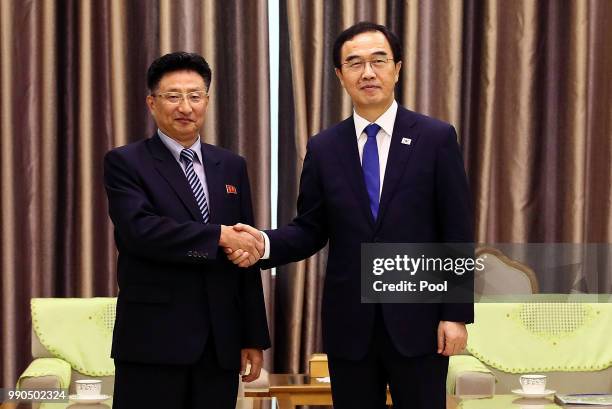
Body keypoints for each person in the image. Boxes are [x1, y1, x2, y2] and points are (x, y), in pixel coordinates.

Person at [227, 22, 474, 409]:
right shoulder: (325, 147)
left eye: (379, 60)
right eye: (355, 63)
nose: (368, 72)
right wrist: (264, 243)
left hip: (419, 322)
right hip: (351, 325)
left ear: (398, 67)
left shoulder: (435, 137)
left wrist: (455, 314)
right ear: (341, 76)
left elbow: (455, 230)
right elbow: (310, 229)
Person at [104, 52, 270, 409]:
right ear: (152, 103)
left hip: (219, 343)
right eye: (173, 96)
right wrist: (219, 236)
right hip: (154, 342)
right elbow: (140, 230)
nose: (185, 106)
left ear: (207, 101)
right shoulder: (126, 162)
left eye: (195, 96)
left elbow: (244, 254)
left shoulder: (231, 165)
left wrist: (252, 335)